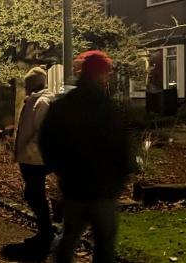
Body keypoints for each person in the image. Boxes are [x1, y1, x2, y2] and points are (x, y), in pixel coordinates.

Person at [40, 51, 133, 263]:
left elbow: (47, 140)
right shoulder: (107, 106)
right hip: (103, 187)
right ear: (101, 73)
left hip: (75, 186)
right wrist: (121, 176)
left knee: (70, 237)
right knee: (105, 242)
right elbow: (121, 143)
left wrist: (61, 170)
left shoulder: (64, 103)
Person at [14, 66, 58, 254]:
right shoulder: (37, 101)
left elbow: (44, 132)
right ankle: (45, 231)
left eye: (27, 83)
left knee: (34, 195)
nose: (25, 86)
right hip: (33, 158)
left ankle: (46, 233)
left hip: (36, 159)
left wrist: (29, 150)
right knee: (34, 194)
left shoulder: (42, 102)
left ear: (33, 84)